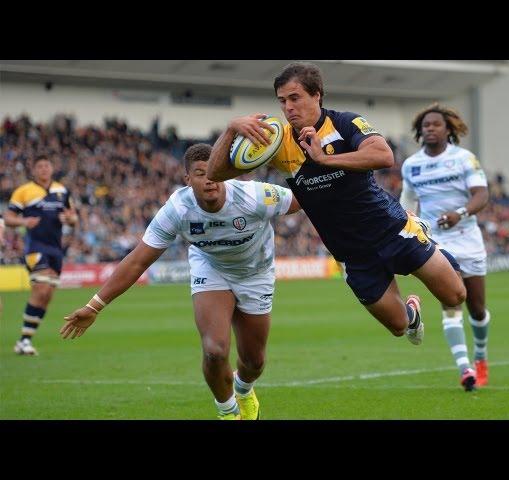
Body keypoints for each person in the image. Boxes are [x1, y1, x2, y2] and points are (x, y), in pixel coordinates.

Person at [207, 62, 467, 379]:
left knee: (455, 296)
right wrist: (231, 129)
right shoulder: (277, 141)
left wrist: (325, 158)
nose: (288, 107)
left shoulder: (345, 123)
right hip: (353, 255)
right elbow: (215, 173)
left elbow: (384, 156)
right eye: (282, 101)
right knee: (400, 327)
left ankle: (432, 247)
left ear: (317, 95)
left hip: (393, 231)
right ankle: (413, 312)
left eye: (295, 98)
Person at [60, 144, 301, 420]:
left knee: (254, 361)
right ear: (188, 179)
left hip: (256, 274)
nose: (209, 179)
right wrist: (94, 306)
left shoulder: (255, 195)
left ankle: (244, 390)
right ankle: (228, 412)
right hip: (211, 268)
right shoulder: (177, 208)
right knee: (214, 349)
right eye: (200, 173)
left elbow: (305, 199)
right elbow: (138, 260)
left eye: (215, 172)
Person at [400, 103, 491, 390]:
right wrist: (406, 224)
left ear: (448, 129)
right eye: (425, 125)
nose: (430, 128)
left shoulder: (464, 159)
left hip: (467, 238)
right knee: (451, 303)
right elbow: (407, 204)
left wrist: (460, 214)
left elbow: (482, 194)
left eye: (436, 124)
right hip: (436, 242)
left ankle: (480, 357)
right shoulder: (412, 165)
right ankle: (465, 370)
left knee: (476, 309)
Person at [4, 154, 78, 356]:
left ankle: (24, 341)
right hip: (35, 246)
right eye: (40, 166)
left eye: (47, 166)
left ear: (52, 169)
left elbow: (73, 218)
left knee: (47, 294)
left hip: (56, 249)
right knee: (41, 287)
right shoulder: (24, 191)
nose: (44, 169)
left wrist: (69, 219)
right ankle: (24, 341)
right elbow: (8, 217)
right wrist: (23, 222)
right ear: (34, 170)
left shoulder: (62, 190)